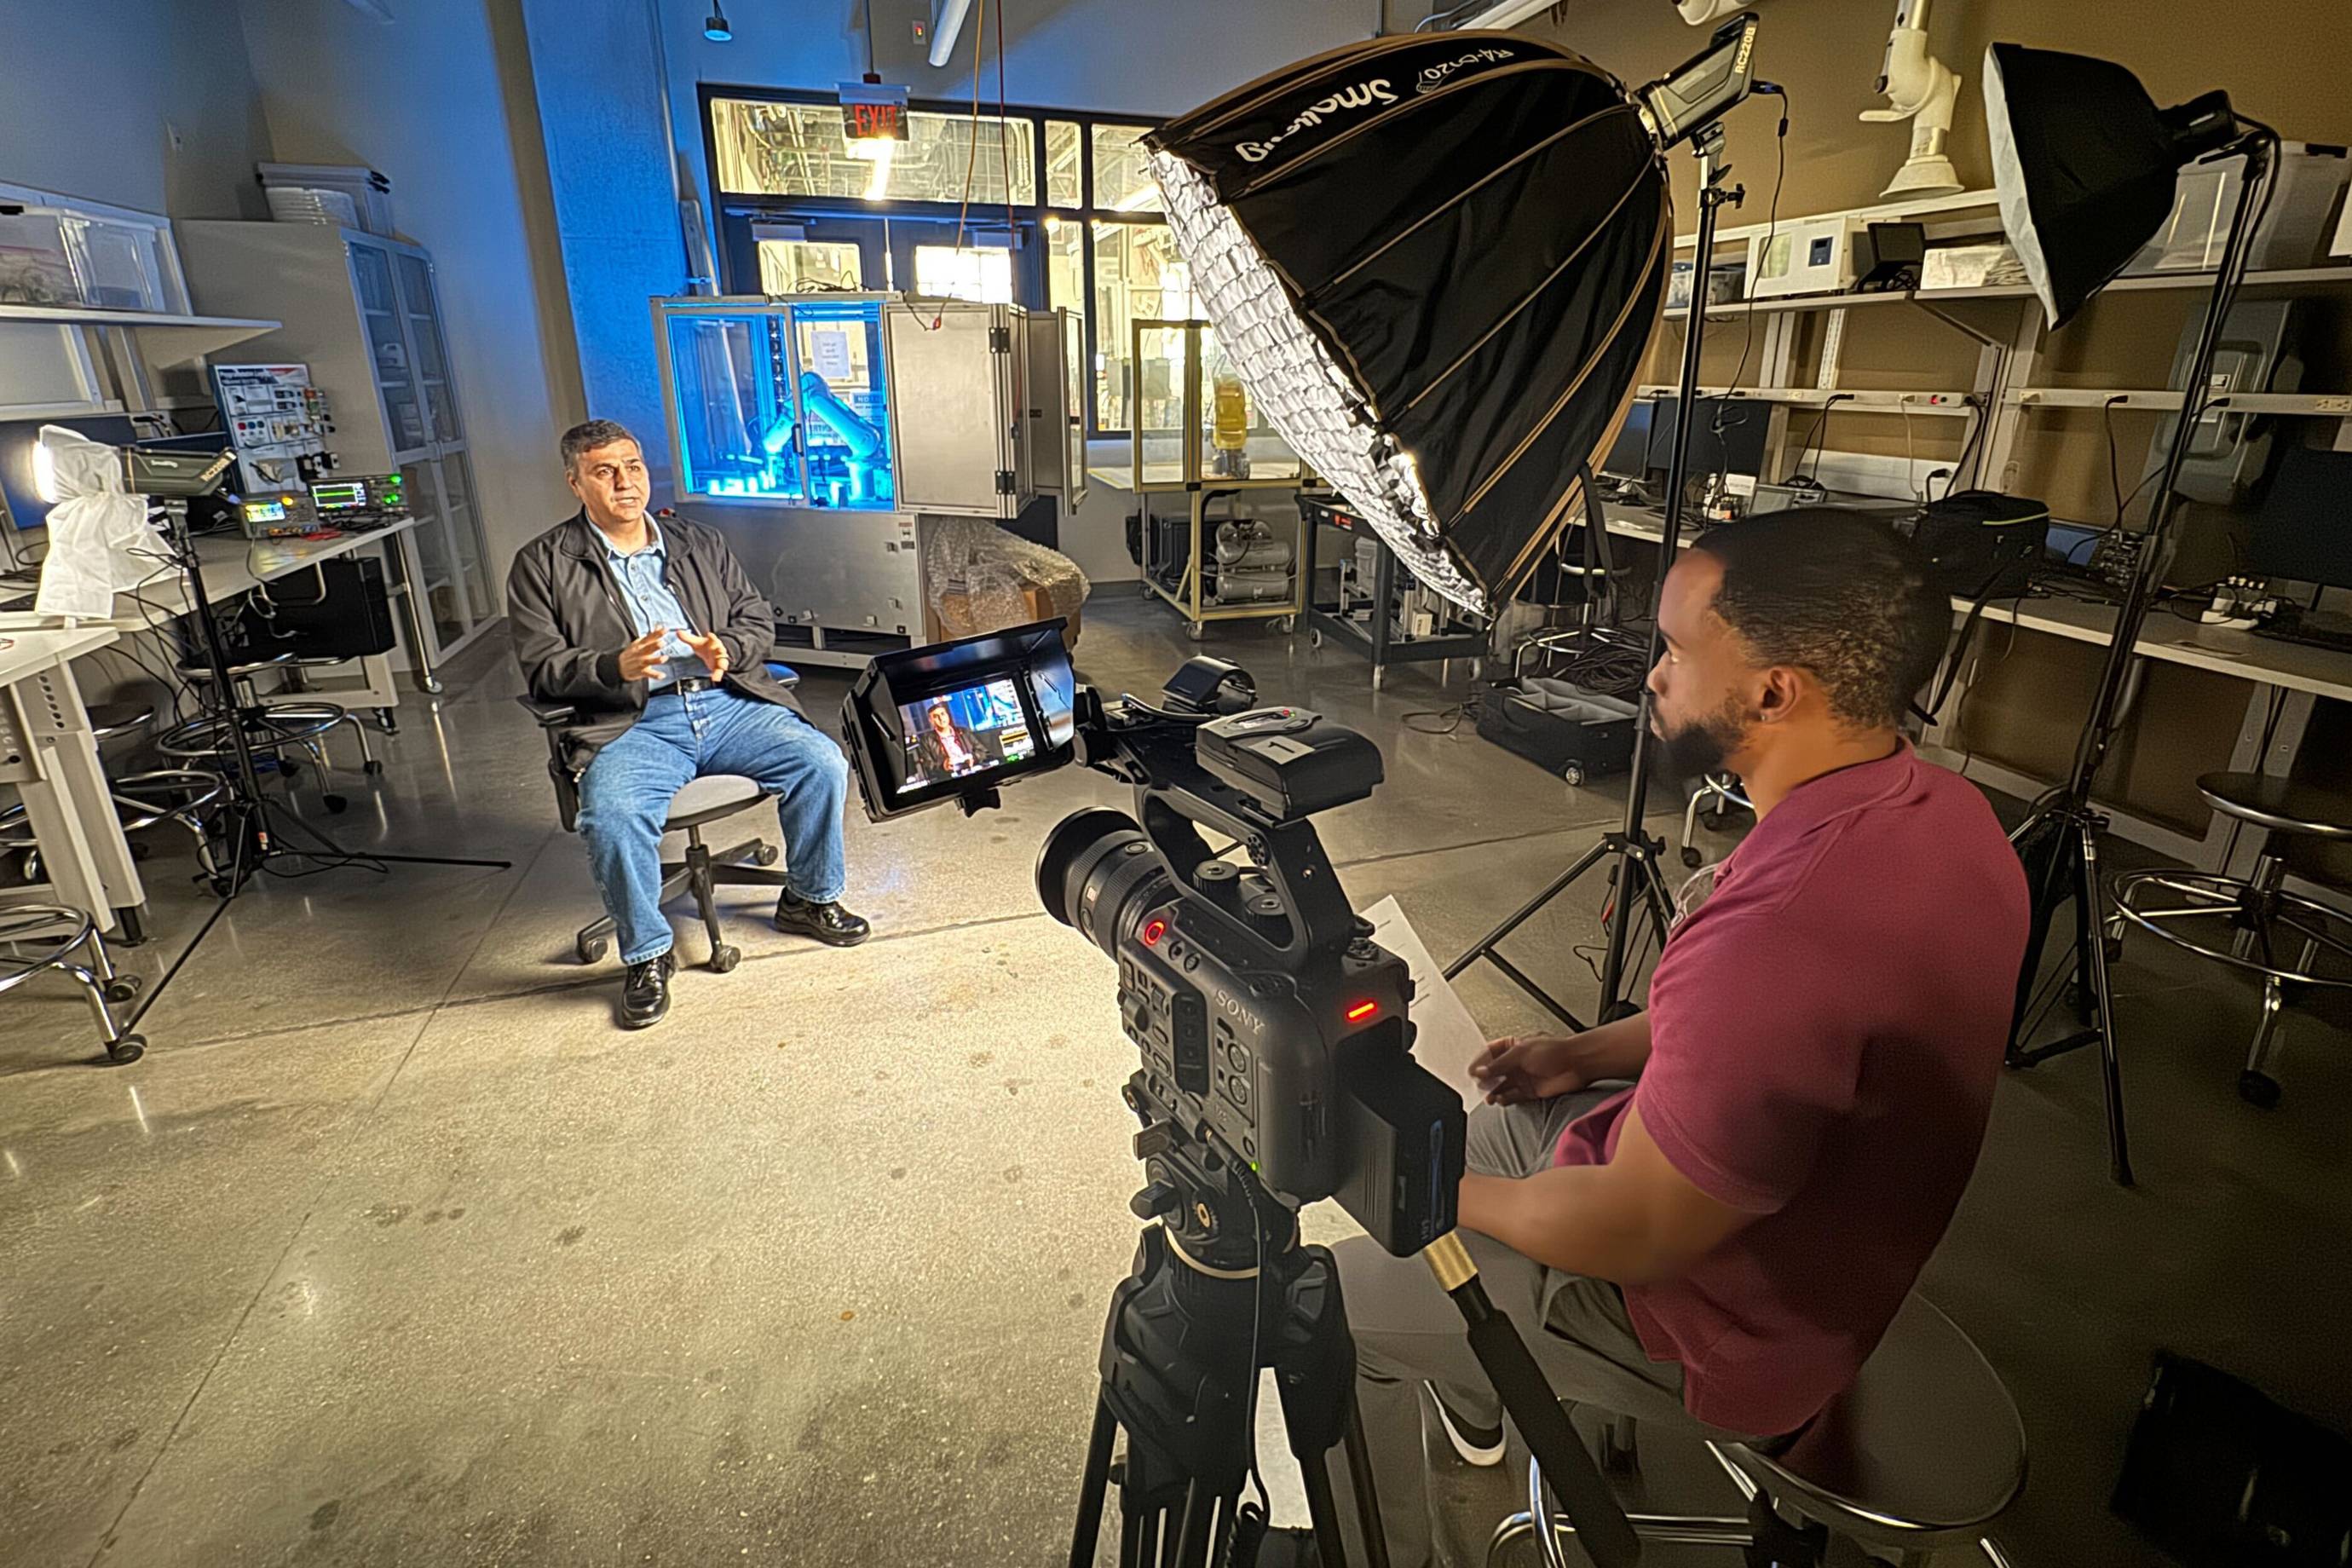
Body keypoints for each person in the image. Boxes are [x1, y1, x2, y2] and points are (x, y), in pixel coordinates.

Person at [1326, 508, 2029, 1567]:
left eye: (1676, 649)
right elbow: (1773, 1041)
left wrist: (1405, 1182)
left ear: (1772, 690)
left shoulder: (1780, 933)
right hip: (1820, 1240)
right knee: (1492, 1129)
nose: (1650, 674)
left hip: (1727, 1327)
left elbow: (1633, 1231)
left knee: (1322, 1308)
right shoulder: (1941, 815)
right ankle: (1474, 1391)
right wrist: (1584, 1056)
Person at [508, 419, 873, 1030]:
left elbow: (756, 618)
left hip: (725, 701)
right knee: (612, 813)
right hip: (632, 721)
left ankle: (809, 900)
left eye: (634, 466)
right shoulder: (542, 563)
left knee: (822, 763)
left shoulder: (698, 542)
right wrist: (611, 664)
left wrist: (727, 648)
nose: (625, 482)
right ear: (576, 482)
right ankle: (648, 956)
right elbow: (541, 666)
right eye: (605, 471)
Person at [918, 700, 999, 779]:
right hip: (949, 779)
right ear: (931, 721)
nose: (941, 718)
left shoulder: (964, 732)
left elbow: (983, 751)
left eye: (943, 714)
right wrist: (943, 766)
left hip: (974, 773)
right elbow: (927, 764)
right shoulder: (926, 740)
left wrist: (973, 758)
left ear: (947, 715)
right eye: (936, 716)